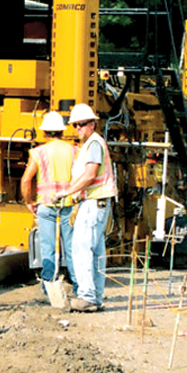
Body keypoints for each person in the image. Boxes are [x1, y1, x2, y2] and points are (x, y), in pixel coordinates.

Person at [54, 103, 117, 312]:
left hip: (93, 202)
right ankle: (95, 298)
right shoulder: (91, 144)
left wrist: (67, 191)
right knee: (96, 251)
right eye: (75, 125)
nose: (78, 129)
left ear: (92, 123)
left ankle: (87, 296)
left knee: (81, 249)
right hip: (96, 202)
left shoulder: (94, 144)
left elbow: (90, 175)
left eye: (81, 124)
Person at [20, 111, 77, 285]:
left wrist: (29, 202)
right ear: (62, 131)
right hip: (69, 205)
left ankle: (48, 284)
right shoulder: (75, 151)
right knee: (71, 248)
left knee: (48, 248)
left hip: (45, 205)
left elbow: (25, 180)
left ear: (44, 132)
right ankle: (77, 285)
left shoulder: (38, 152)